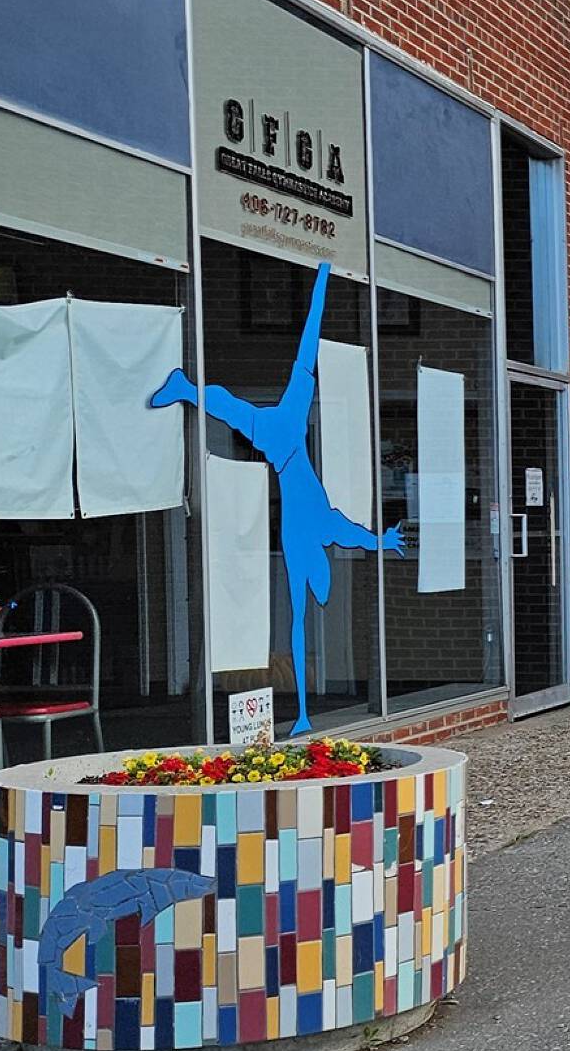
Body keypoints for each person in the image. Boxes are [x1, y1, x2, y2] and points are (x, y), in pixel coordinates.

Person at [150, 262, 405, 735]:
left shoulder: (306, 541)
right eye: (322, 581)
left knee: (281, 376)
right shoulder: (322, 530)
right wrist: (383, 542)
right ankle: (321, 280)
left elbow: (301, 623)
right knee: (295, 364)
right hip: (287, 443)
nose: (320, 582)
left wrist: (381, 542)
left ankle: (185, 386)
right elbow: (361, 539)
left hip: (285, 445)